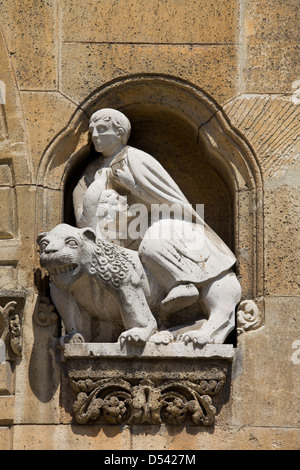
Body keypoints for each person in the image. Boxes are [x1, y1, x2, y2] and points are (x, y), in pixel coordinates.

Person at [73, 108, 237, 315]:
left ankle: (180, 282)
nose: (95, 136)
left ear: (120, 133)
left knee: (153, 244)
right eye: (92, 130)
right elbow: (82, 212)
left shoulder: (134, 159)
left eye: (103, 129)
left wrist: (134, 187)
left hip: (147, 227)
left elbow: (170, 202)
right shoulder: (91, 170)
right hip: (112, 236)